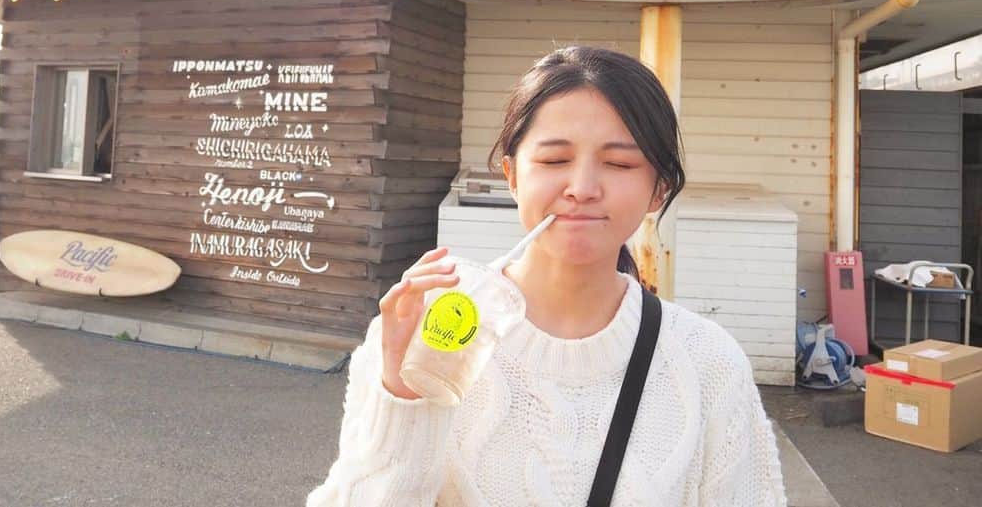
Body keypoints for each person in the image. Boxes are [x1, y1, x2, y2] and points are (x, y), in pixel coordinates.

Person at [307, 46, 786, 507]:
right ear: (512, 176)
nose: (581, 189)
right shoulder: (424, 333)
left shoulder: (708, 365)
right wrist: (401, 394)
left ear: (658, 187)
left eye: (619, 163)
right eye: (555, 160)